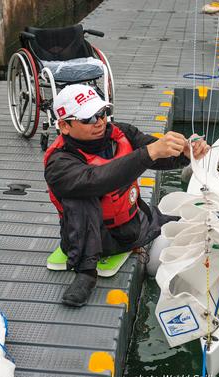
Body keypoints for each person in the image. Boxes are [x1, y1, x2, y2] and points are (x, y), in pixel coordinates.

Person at [44, 84, 210, 307]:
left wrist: (185, 153)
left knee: (187, 224)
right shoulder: (59, 163)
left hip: (135, 226)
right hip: (92, 241)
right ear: (64, 126)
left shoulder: (121, 133)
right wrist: (148, 153)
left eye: (102, 113)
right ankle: (86, 273)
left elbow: (156, 152)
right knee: (79, 194)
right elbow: (97, 179)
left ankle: (154, 224)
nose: (100, 122)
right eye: (89, 119)